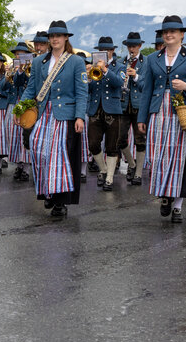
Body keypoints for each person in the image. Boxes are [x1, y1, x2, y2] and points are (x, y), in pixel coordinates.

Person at [137, 15, 186, 223]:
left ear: (181, 35)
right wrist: (143, 117)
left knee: (180, 159)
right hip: (158, 111)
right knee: (159, 157)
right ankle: (165, 196)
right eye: (165, 32)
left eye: (173, 32)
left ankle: (177, 204)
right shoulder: (153, 59)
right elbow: (147, 90)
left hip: (184, 113)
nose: (169, 35)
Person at [19, 20, 87, 217]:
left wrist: (79, 117)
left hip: (64, 115)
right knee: (39, 151)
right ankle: (47, 191)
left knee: (59, 156)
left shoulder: (76, 61)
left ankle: (60, 201)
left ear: (66, 38)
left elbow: (82, 92)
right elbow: (31, 89)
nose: (55, 39)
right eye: (52, 36)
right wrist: (20, 110)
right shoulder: (39, 62)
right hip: (42, 113)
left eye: (59, 35)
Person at [86, 36, 124, 191]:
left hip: (112, 110)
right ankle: (103, 169)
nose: (104, 52)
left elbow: (120, 83)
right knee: (93, 144)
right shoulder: (92, 66)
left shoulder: (118, 66)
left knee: (112, 146)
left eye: (107, 50)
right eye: (101, 50)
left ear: (112, 51)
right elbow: (87, 90)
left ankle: (109, 178)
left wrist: (106, 70)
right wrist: (87, 78)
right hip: (95, 109)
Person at [118, 32, 145, 185]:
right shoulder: (121, 62)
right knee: (120, 138)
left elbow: (146, 83)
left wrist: (135, 76)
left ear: (140, 46)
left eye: (134, 46)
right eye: (129, 46)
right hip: (123, 105)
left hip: (139, 105)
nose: (131, 48)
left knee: (140, 139)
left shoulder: (146, 62)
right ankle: (132, 164)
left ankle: (139, 173)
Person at [7, 42, 32, 181]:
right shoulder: (12, 67)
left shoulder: (31, 66)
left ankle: (27, 168)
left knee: (25, 135)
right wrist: (14, 72)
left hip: (27, 103)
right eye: (17, 54)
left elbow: (29, 83)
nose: (19, 56)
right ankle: (19, 164)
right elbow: (10, 84)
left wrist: (23, 70)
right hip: (14, 103)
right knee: (15, 137)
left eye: (22, 54)